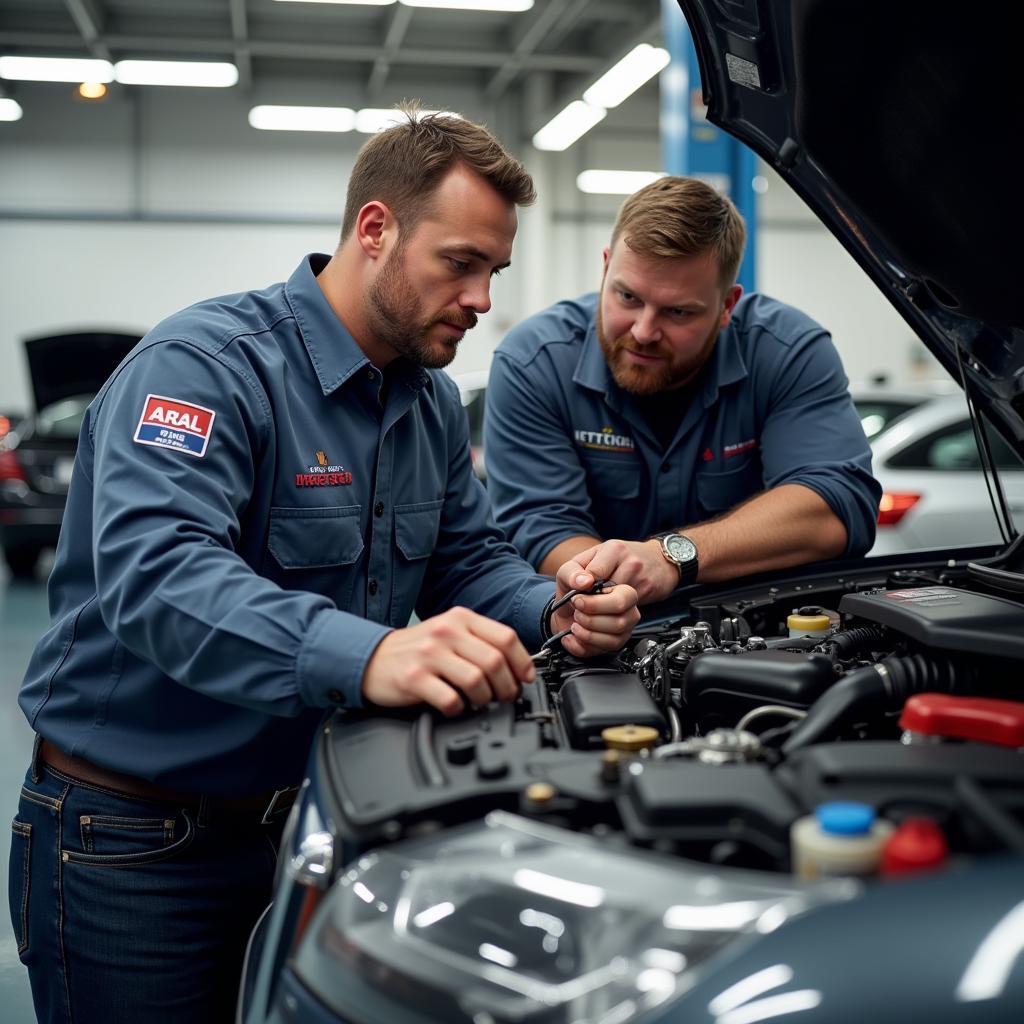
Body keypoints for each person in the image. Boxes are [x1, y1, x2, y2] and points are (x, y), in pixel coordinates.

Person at [9, 107, 639, 1024]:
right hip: (133, 845)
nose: (480, 300)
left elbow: (466, 556)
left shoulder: (424, 403)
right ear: (375, 230)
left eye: (492, 272)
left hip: (310, 822)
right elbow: (160, 577)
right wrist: (371, 656)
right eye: (459, 264)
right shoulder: (205, 367)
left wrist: (556, 607)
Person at [484, 175, 881, 604]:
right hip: (597, 633)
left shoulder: (786, 352)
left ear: (727, 306)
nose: (644, 331)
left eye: (677, 312)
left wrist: (672, 558)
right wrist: (611, 594)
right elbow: (540, 525)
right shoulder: (534, 362)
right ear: (604, 269)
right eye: (627, 297)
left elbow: (836, 506)